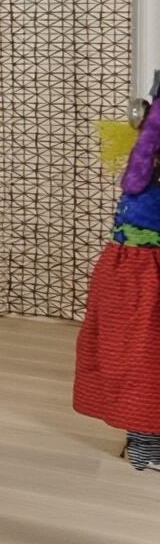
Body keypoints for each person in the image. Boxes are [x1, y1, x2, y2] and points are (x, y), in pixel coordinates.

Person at [75, 82, 160, 470]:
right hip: (139, 276)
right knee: (142, 362)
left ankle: (144, 444)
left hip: (133, 272)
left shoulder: (141, 177)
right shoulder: (144, 185)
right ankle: (146, 447)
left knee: (139, 360)